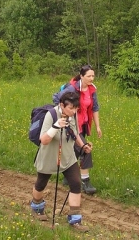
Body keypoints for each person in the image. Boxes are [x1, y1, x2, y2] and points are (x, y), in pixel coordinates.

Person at [30, 91, 92, 232]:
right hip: (49, 156)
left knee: (76, 184)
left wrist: (83, 145)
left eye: (76, 108)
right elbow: (44, 140)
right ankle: (37, 206)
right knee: (41, 184)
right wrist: (56, 126)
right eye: (71, 108)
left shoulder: (73, 115)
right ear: (62, 105)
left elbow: (75, 133)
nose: (74, 111)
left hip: (68, 156)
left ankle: (75, 220)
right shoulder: (50, 115)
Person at [53, 64, 102, 194]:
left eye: (93, 76)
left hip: (84, 124)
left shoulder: (92, 90)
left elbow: (95, 108)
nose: (92, 78)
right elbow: (57, 99)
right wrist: (64, 116)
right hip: (73, 125)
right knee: (85, 149)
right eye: (89, 76)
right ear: (81, 76)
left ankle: (67, 176)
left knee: (74, 151)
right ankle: (86, 182)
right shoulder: (72, 89)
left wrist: (97, 126)